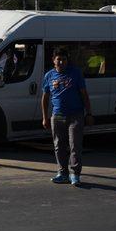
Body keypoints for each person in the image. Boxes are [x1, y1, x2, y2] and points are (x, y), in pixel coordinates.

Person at [41, 48, 94, 186]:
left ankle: (75, 174)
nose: (61, 61)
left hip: (75, 115)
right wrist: (45, 117)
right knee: (59, 146)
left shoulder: (75, 73)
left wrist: (89, 113)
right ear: (53, 61)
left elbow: (84, 94)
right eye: (58, 59)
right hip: (57, 116)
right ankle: (62, 173)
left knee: (74, 145)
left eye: (64, 59)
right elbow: (45, 98)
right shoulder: (49, 76)